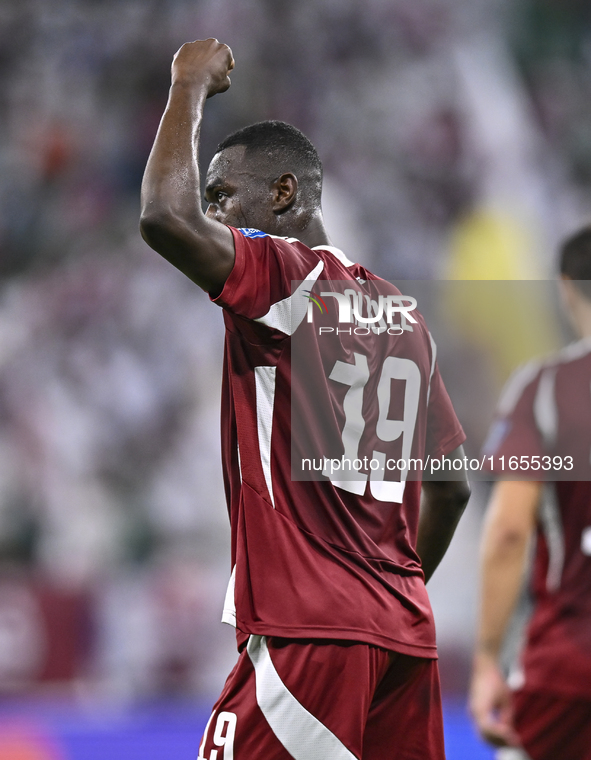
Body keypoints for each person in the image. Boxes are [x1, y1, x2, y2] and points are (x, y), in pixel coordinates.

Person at [140, 38, 470, 760]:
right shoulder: (399, 312)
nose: (214, 212)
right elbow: (449, 487)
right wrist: (385, 594)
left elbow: (163, 220)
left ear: (282, 194)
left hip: (307, 637)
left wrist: (187, 85)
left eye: (223, 195)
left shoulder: (284, 277)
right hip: (402, 641)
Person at [469, 227, 591, 760]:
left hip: (569, 662)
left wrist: (487, 659)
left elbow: (508, 531)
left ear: (566, 287)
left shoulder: (545, 387)